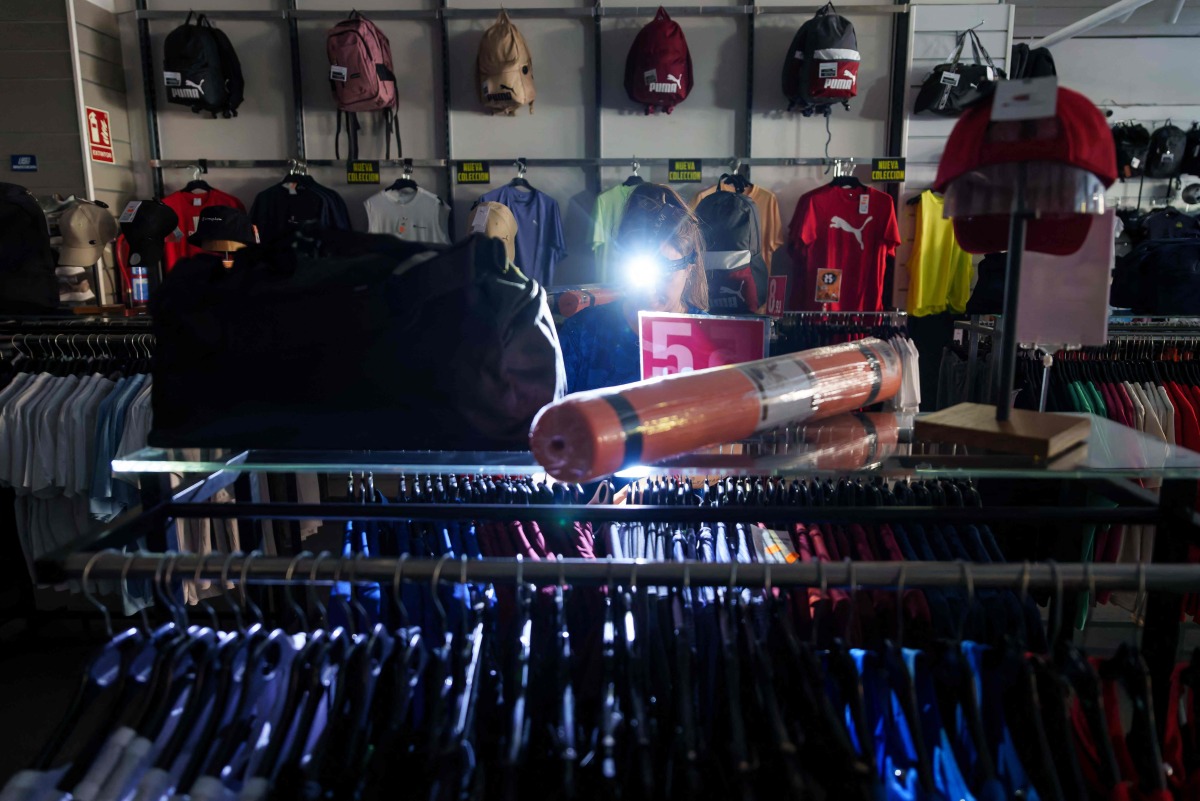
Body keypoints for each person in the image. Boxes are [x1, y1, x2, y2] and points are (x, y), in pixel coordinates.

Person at [559, 184, 709, 394]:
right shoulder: (583, 332)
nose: (649, 291)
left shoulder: (711, 338)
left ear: (689, 267)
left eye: (665, 273)